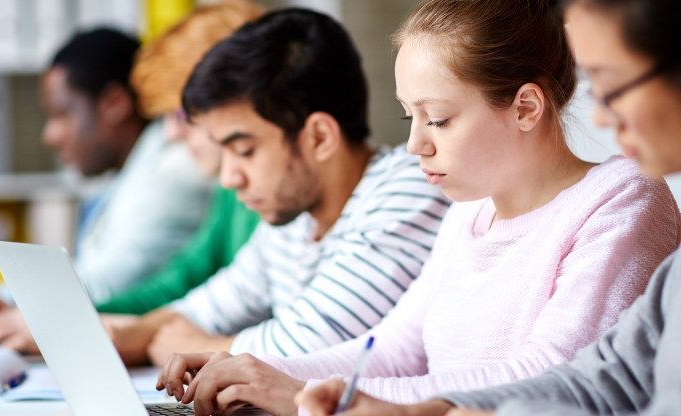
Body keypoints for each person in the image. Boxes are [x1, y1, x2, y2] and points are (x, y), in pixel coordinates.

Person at [154, 1, 681, 415]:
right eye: (410, 116)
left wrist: (306, 392)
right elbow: (390, 349)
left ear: (525, 107)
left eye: (439, 119)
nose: (414, 145)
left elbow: (549, 371)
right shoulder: (466, 215)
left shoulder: (618, 200)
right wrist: (257, 370)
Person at [102, 8, 451, 367]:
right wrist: (123, 336)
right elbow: (208, 306)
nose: (228, 178)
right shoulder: (295, 218)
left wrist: (190, 345)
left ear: (318, 137)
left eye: (244, 151)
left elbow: (307, 346)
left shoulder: (408, 189)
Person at [0, 28, 213, 350]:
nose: (49, 135)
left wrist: (6, 303)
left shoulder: (174, 170)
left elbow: (108, 283)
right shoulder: (133, 172)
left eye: (62, 113)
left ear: (115, 103)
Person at [96, 0, 263, 315]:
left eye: (182, 114)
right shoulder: (228, 192)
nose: (171, 134)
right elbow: (180, 281)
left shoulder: (271, 195)